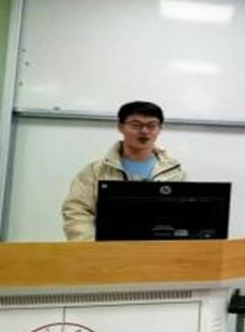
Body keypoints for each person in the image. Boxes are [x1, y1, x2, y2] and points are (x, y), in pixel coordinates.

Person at [62, 101, 186, 241]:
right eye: (136, 125)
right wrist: (91, 246)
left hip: (160, 249)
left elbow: (184, 217)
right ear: (120, 127)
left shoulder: (174, 172)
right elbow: (77, 211)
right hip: (107, 249)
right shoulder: (95, 170)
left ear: (160, 129)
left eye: (152, 125)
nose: (144, 131)